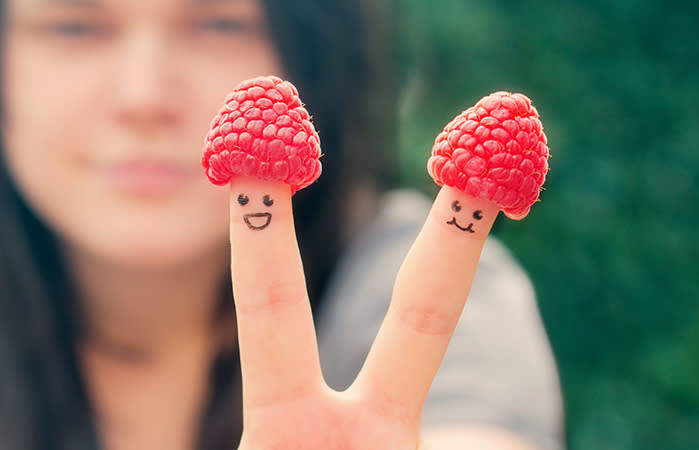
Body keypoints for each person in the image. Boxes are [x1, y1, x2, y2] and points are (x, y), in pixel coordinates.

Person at [0, 0, 564, 449]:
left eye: (221, 23)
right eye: (72, 26)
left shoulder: (416, 275)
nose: (144, 96)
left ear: (317, 49)